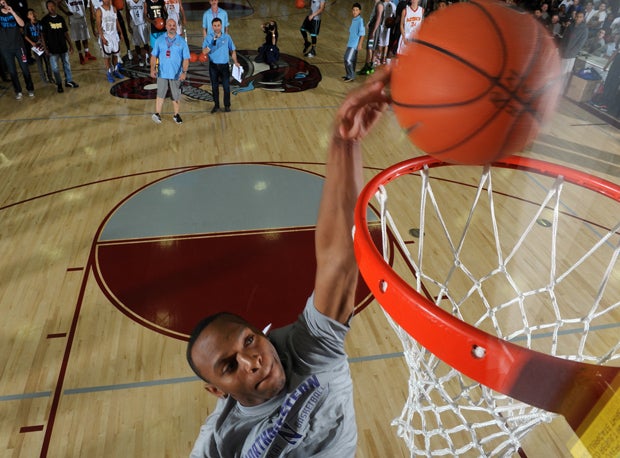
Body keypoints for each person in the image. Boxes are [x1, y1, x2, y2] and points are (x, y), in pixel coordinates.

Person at [186, 65, 391, 458]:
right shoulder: (219, 443)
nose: (252, 360)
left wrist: (344, 144)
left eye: (249, 340)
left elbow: (338, 258)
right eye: (229, 366)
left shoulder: (307, 348)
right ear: (217, 391)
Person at [150, 17, 188, 124]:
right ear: (166, 27)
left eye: (174, 25)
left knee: (175, 96)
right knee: (160, 94)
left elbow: (186, 59)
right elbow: (153, 56)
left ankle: (176, 115)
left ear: (176, 27)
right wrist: (152, 68)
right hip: (162, 73)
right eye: (170, 25)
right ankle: (157, 114)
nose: (172, 27)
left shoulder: (182, 42)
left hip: (176, 74)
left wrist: (184, 72)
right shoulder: (160, 40)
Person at [201, 17, 240, 113]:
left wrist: (235, 61)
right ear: (212, 26)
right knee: (214, 87)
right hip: (213, 66)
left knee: (226, 87)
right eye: (215, 26)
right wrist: (212, 43)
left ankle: (227, 105)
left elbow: (232, 50)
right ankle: (216, 105)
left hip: (224, 66)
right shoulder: (209, 37)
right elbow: (204, 52)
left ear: (221, 26)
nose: (217, 27)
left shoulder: (227, 37)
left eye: (218, 25)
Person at [40, 0, 79, 93]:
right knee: (55, 68)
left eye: (52, 6)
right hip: (52, 49)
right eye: (49, 7)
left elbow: (65, 33)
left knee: (67, 65)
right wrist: (45, 48)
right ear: (47, 8)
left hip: (63, 47)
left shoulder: (61, 18)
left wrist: (70, 45)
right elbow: (42, 36)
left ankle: (68, 81)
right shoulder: (44, 20)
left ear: (55, 6)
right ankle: (59, 84)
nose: (51, 8)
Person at [0, 0, 34, 99]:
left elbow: (22, 24)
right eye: (0, 2)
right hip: (6, 48)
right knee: (12, 71)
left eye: (4, 2)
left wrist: (12, 12)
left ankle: (30, 89)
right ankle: (18, 91)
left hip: (19, 46)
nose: (3, 4)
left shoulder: (15, 12)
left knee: (25, 69)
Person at [58, 0, 96, 64]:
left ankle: (87, 53)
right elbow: (58, 3)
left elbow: (86, 2)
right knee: (77, 39)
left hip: (82, 18)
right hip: (73, 20)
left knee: (85, 36)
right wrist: (65, 12)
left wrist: (84, 9)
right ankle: (80, 55)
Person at [559, 10, 588, 90]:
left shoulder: (584, 30)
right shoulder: (570, 26)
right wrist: (561, 49)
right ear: (575, 17)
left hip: (571, 55)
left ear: (583, 18)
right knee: (559, 71)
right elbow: (564, 38)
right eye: (577, 16)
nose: (578, 18)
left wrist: (571, 53)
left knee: (565, 74)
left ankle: (560, 91)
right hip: (563, 51)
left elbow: (579, 45)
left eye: (580, 17)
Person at [23, 8, 53, 84]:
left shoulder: (41, 23)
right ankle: (44, 79)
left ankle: (50, 77)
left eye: (33, 13)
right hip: (36, 47)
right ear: (28, 16)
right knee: (40, 64)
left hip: (43, 45)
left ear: (36, 14)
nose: (32, 15)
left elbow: (45, 33)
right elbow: (25, 36)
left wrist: (45, 43)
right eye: (30, 14)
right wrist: (32, 43)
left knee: (48, 62)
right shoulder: (27, 25)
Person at [97, 0, 124, 82]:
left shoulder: (114, 9)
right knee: (107, 57)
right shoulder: (99, 10)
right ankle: (109, 73)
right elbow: (98, 25)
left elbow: (116, 21)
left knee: (116, 54)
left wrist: (121, 33)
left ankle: (115, 70)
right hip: (106, 35)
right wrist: (102, 37)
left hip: (114, 35)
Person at [357, 0, 384, 75]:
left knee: (370, 47)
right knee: (372, 47)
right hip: (373, 28)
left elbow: (378, 19)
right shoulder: (377, 4)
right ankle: (370, 66)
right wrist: (369, 23)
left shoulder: (380, 5)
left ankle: (367, 66)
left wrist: (374, 31)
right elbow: (374, 17)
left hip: (375, 29)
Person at [592, 46, 620, 116]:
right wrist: (606, 65)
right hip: (615, 65)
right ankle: (602, 101)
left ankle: (606, 104)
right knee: (607, 84)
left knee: (613, 87)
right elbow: (615, 53)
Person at [343, 2, 365, 82]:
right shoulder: (354, 20)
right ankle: (349, 75)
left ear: (360, 11)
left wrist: (360, 44)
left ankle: (351, 75)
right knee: (351, 60)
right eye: (353, 10)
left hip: (354, 44)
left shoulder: (360, 21)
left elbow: (362, 34)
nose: (355, 12)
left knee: (347, 59)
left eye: (356, 10)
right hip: (350, 43)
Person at [126, 0, 148, 66]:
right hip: (134, 24)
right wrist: (128, 25)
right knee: (137, 43)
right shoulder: (128, 1)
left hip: (143, 23)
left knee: (145, 42)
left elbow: (146, 11)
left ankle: (147, 57)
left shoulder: (143, 1)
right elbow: (127, 13)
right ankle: (140, 58)